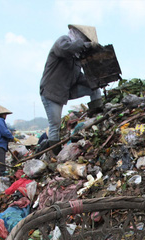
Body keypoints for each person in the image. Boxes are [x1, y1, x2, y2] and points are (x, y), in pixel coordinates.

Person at [38, 24, 103, 154]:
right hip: (52, 93)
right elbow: (66, 49)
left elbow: (78, 77)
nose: (85, 43)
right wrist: (87, 45)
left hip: (66, 91)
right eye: (84, 40)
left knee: (94, 88)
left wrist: (96, 81)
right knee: (55, 124)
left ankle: (97, 117)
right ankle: (54, 154)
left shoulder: (76, 58)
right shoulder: (63, 42)